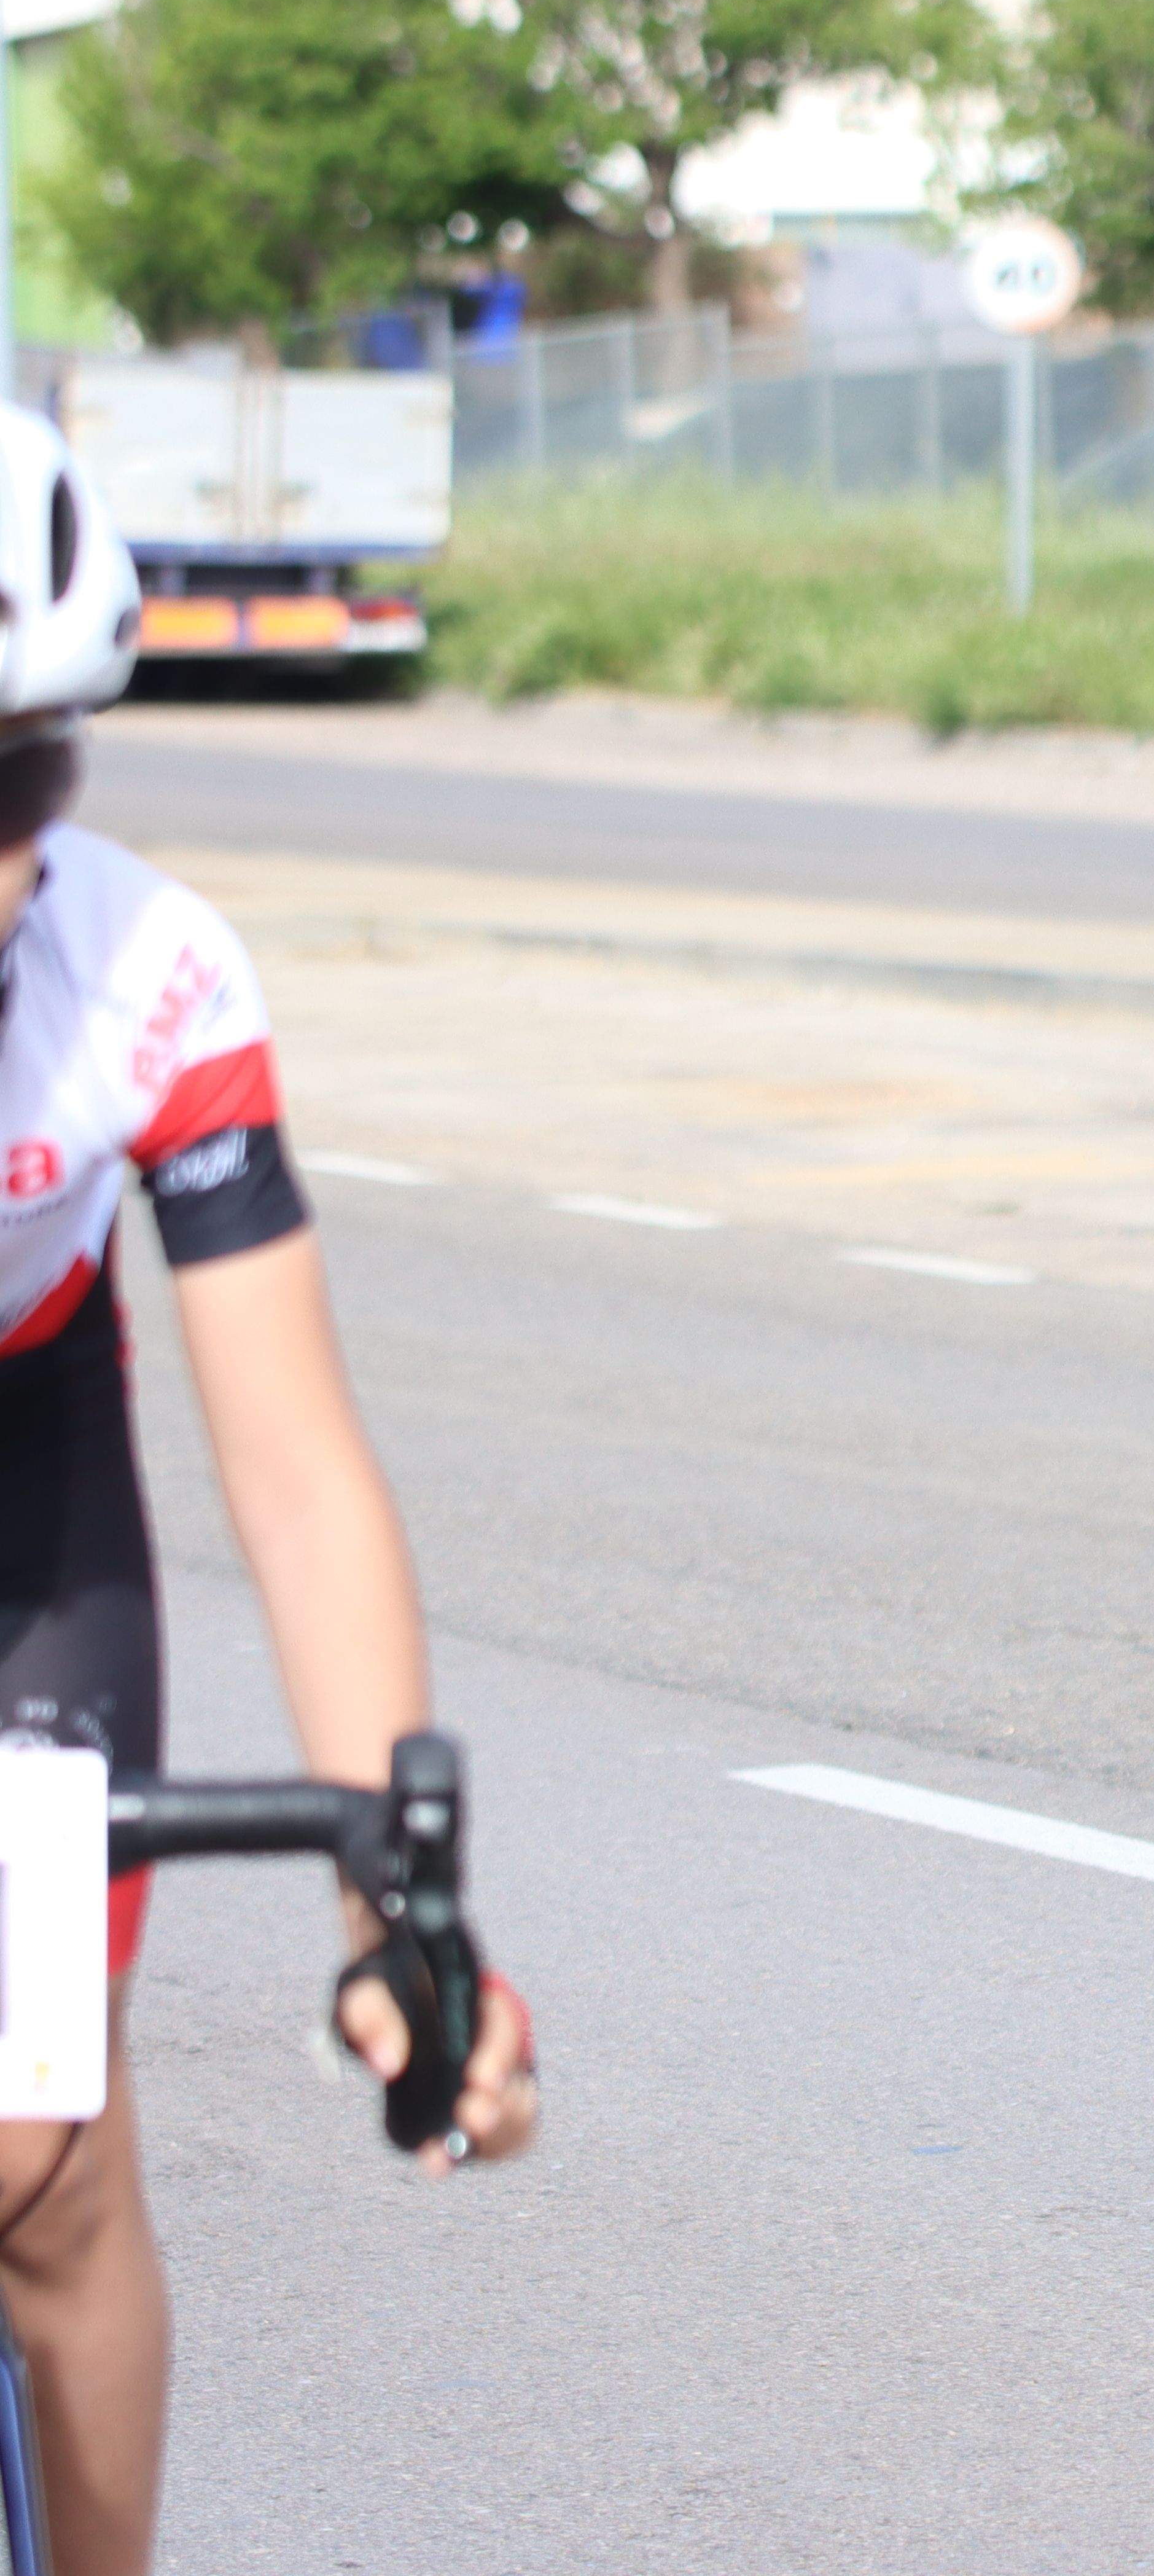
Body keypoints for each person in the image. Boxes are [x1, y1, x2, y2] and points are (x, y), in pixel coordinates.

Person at [0, 405, 536, 2576]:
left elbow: (299, 1471)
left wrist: (389, 1906)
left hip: (20, 1484)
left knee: (42, 2163)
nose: (2, 863)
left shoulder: (148, 973)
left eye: (28, 774)